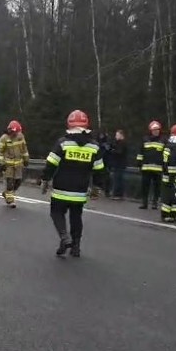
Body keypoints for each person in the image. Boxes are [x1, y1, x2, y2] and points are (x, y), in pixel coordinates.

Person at [40, 110, 104, 257]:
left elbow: (51, 163)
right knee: (76, 217)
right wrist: (97, 187)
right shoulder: (94, 146)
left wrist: (45, 179)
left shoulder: (63, 143)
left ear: (69, 124)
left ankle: (64, 236)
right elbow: (99, 169)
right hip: (80, 191)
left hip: (61, 188)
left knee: (56, 213)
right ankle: (76, 247)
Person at [0, 120, 30, 208]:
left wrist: (26, 159)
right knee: (9, 183)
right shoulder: (4, 138)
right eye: (15, 132)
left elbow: (24, 149)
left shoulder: (20, 136)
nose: (16, 134)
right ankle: (10, 201)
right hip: (8, 165)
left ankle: (7, 193)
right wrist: (1, 163)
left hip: (18, 164)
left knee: (18, 182)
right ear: (10, 130)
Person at [137, 120, 165, 209]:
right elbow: (140, 153)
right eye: (154, 130)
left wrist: (165, 165)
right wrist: (139, 164)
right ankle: (144, 203)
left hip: (158, 169)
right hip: (146, 168)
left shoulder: (163, 140)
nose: (156, 131)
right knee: (145, 186)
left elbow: (166, 154)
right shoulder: (145, 139)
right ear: (150, 130)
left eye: (157, 130)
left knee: (157, 187)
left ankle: (154, 202)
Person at [107, 129, 129, 200]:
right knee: (117, 178)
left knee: (118, 179)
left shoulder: (123, 143)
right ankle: (118, 194)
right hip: (117, 163)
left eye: (117, 135)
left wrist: (112, 150)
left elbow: (119, 152)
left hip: (120, 164)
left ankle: (118, 194)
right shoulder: (118, 143)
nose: (116, 136)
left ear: (121, 135)